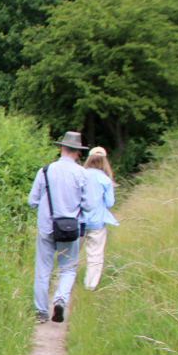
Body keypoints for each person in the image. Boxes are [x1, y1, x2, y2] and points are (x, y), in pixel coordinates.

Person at [28, 131, 91, 323]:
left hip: (47, 227)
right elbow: (88, 205)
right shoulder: (83, 173)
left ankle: (41, 312)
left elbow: (32, 201)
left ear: (60, 148)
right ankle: (61, 299)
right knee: (68, 268)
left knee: (43, 269)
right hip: (70, 228)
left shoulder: (45, 171)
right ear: (78, 153)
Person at [82, 146, 118, 290]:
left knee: (71, 253)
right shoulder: (106, 179)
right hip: (97, 223)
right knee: (95, 255)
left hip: (79, 221)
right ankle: (90, 285)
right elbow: (109, 203)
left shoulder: (81, 174)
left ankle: (64, 283)